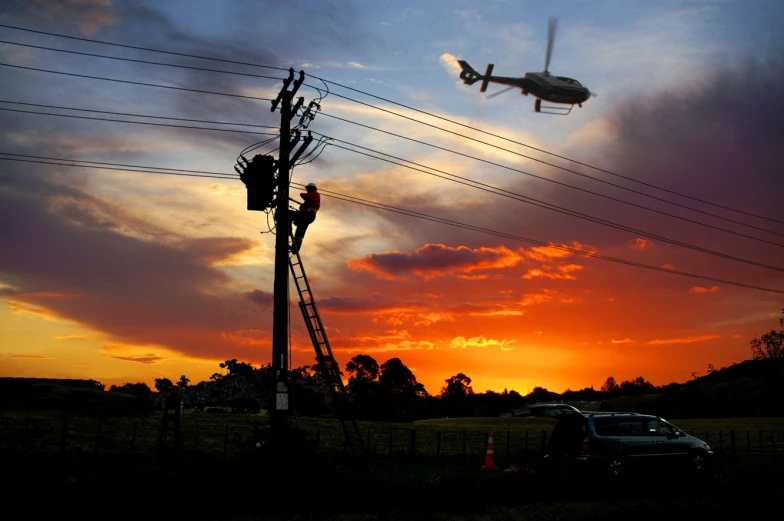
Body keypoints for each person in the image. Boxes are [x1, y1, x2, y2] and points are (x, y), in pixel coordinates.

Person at [290, 182, 320, 253]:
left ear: (312, 189)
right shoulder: (311, 198)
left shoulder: (315, 194)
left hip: (307, 215)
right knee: (299, 233)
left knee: (288, 214)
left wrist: (305, 198)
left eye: (308, 189)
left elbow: (303, 195)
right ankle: (295, 249)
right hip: (306, 215)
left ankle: (287, 229)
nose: (307, 190)